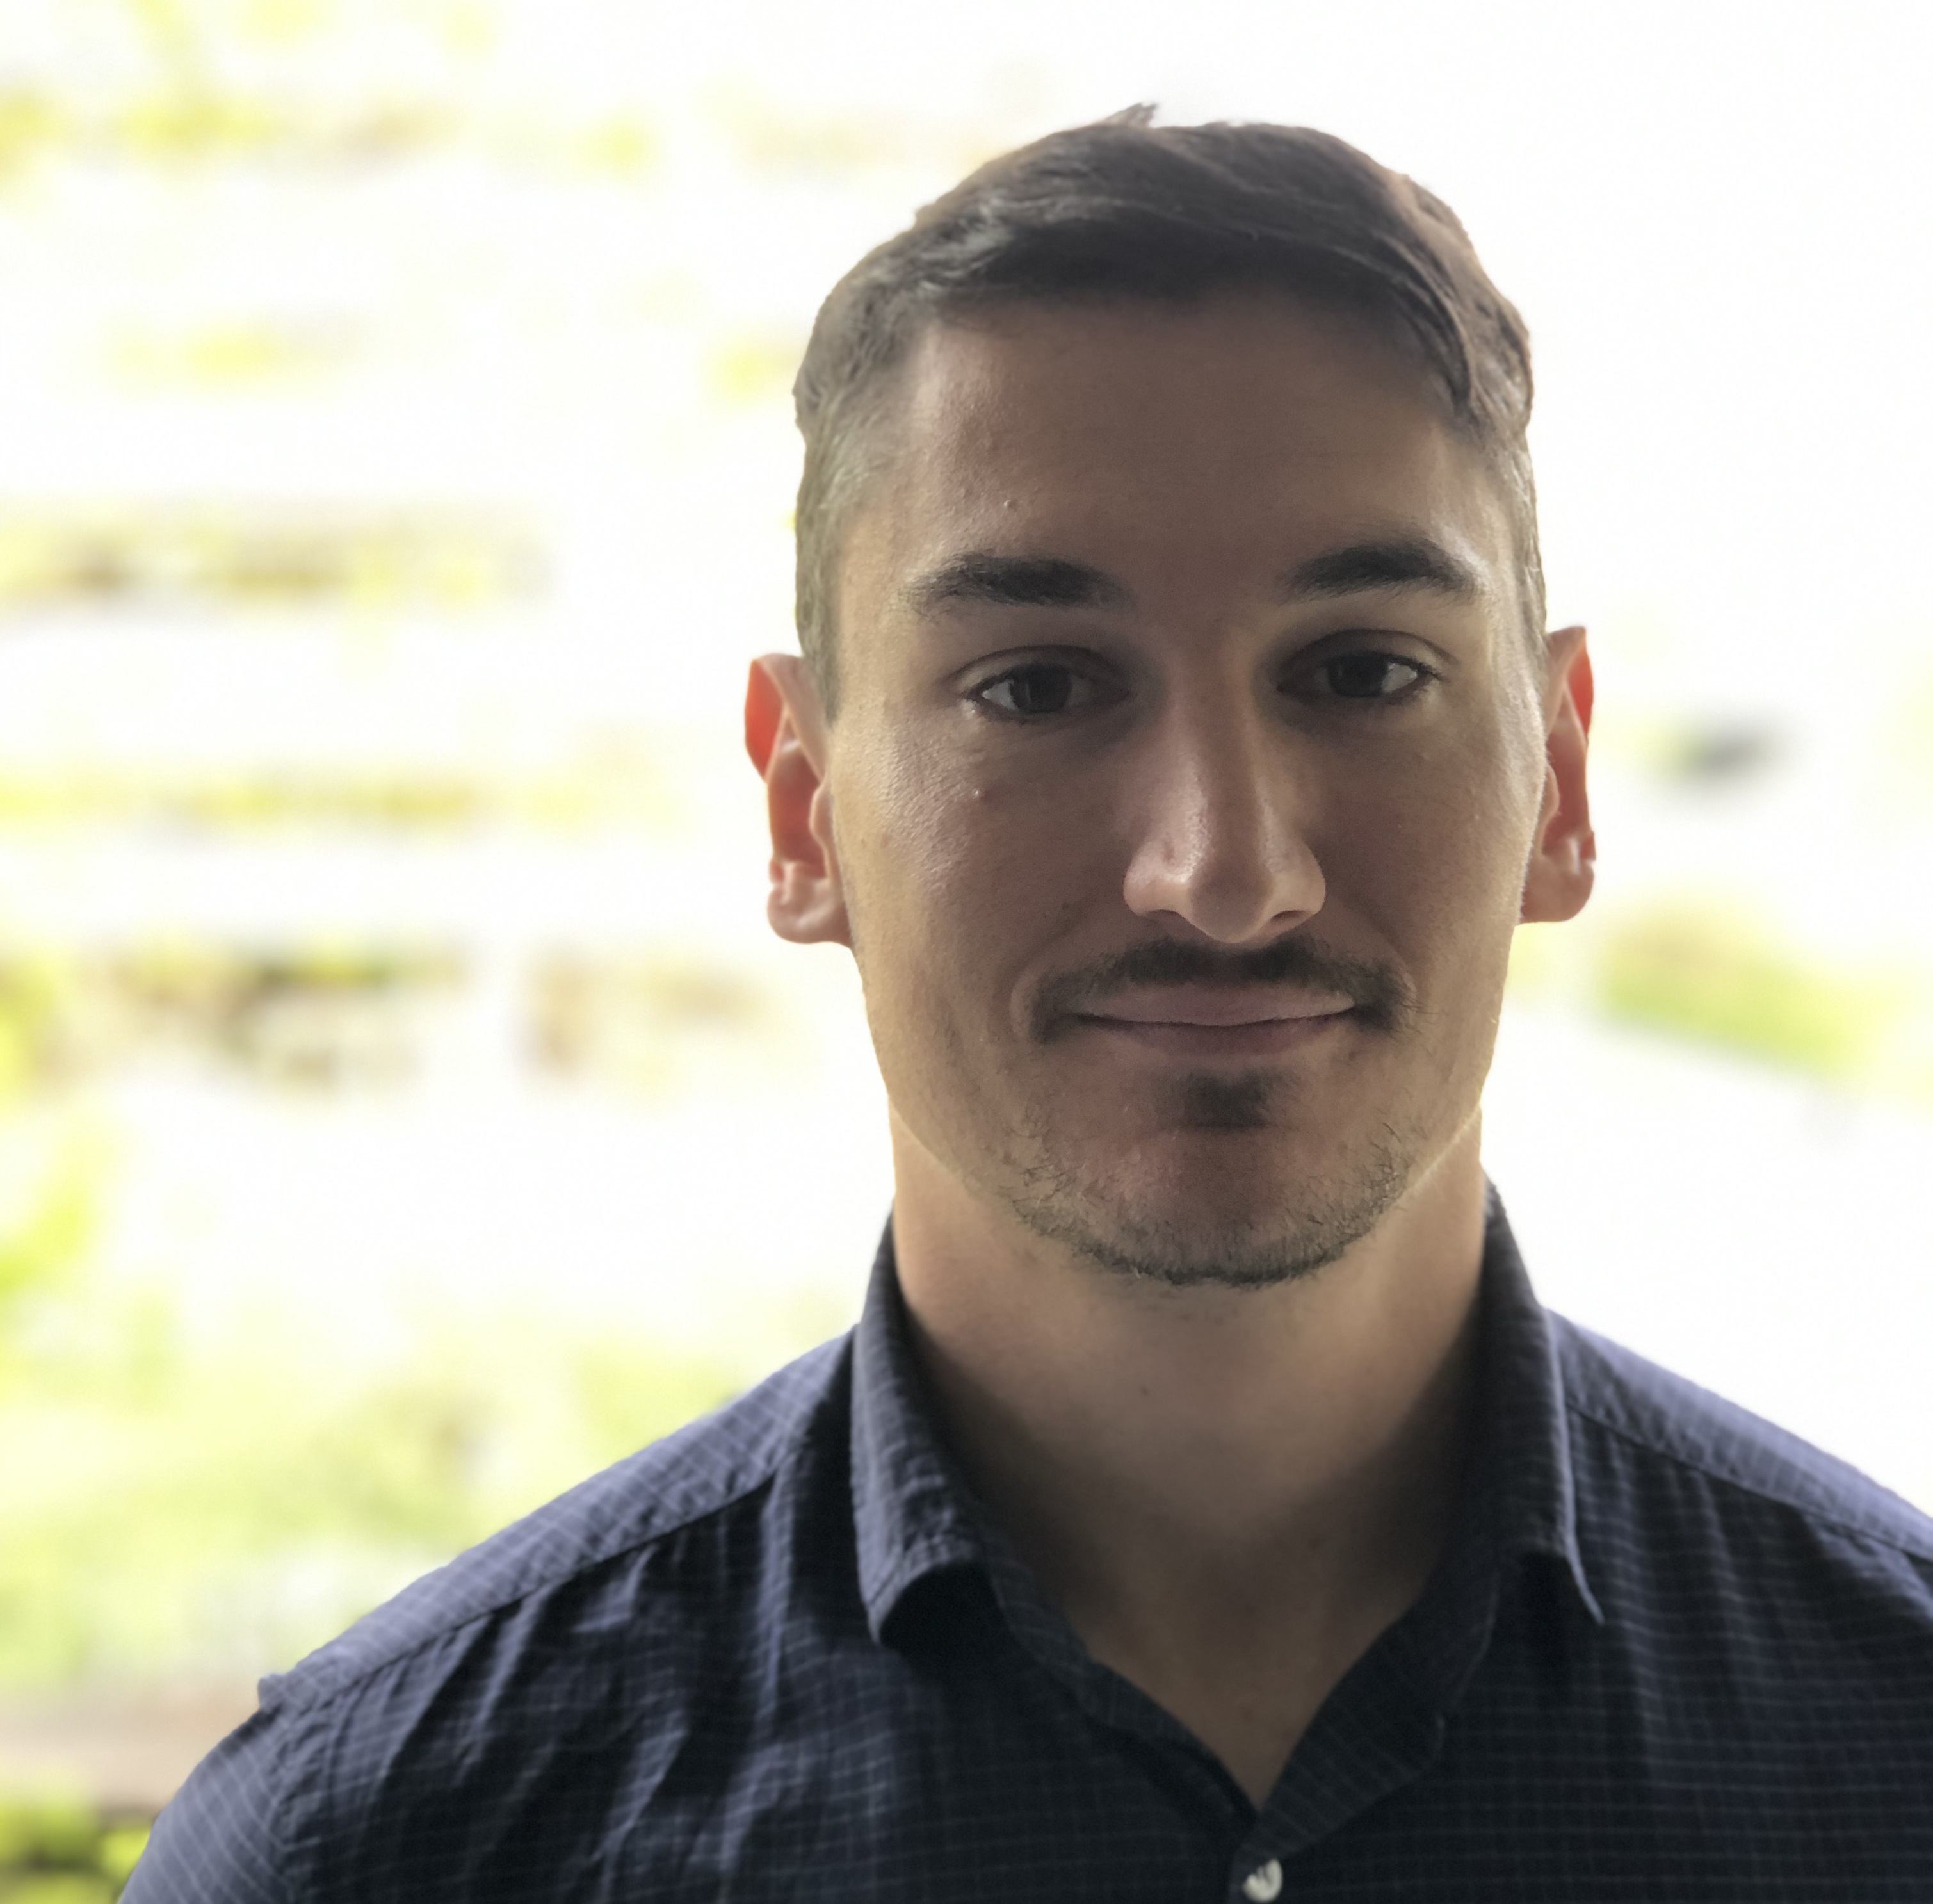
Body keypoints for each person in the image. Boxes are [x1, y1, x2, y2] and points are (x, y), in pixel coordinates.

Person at [128, 108, 1933, 1903]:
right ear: (804, 813)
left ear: (1558, 780)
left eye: (1362, 673)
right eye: (1037, 688)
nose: (1223, 872)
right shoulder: (366, 1855)